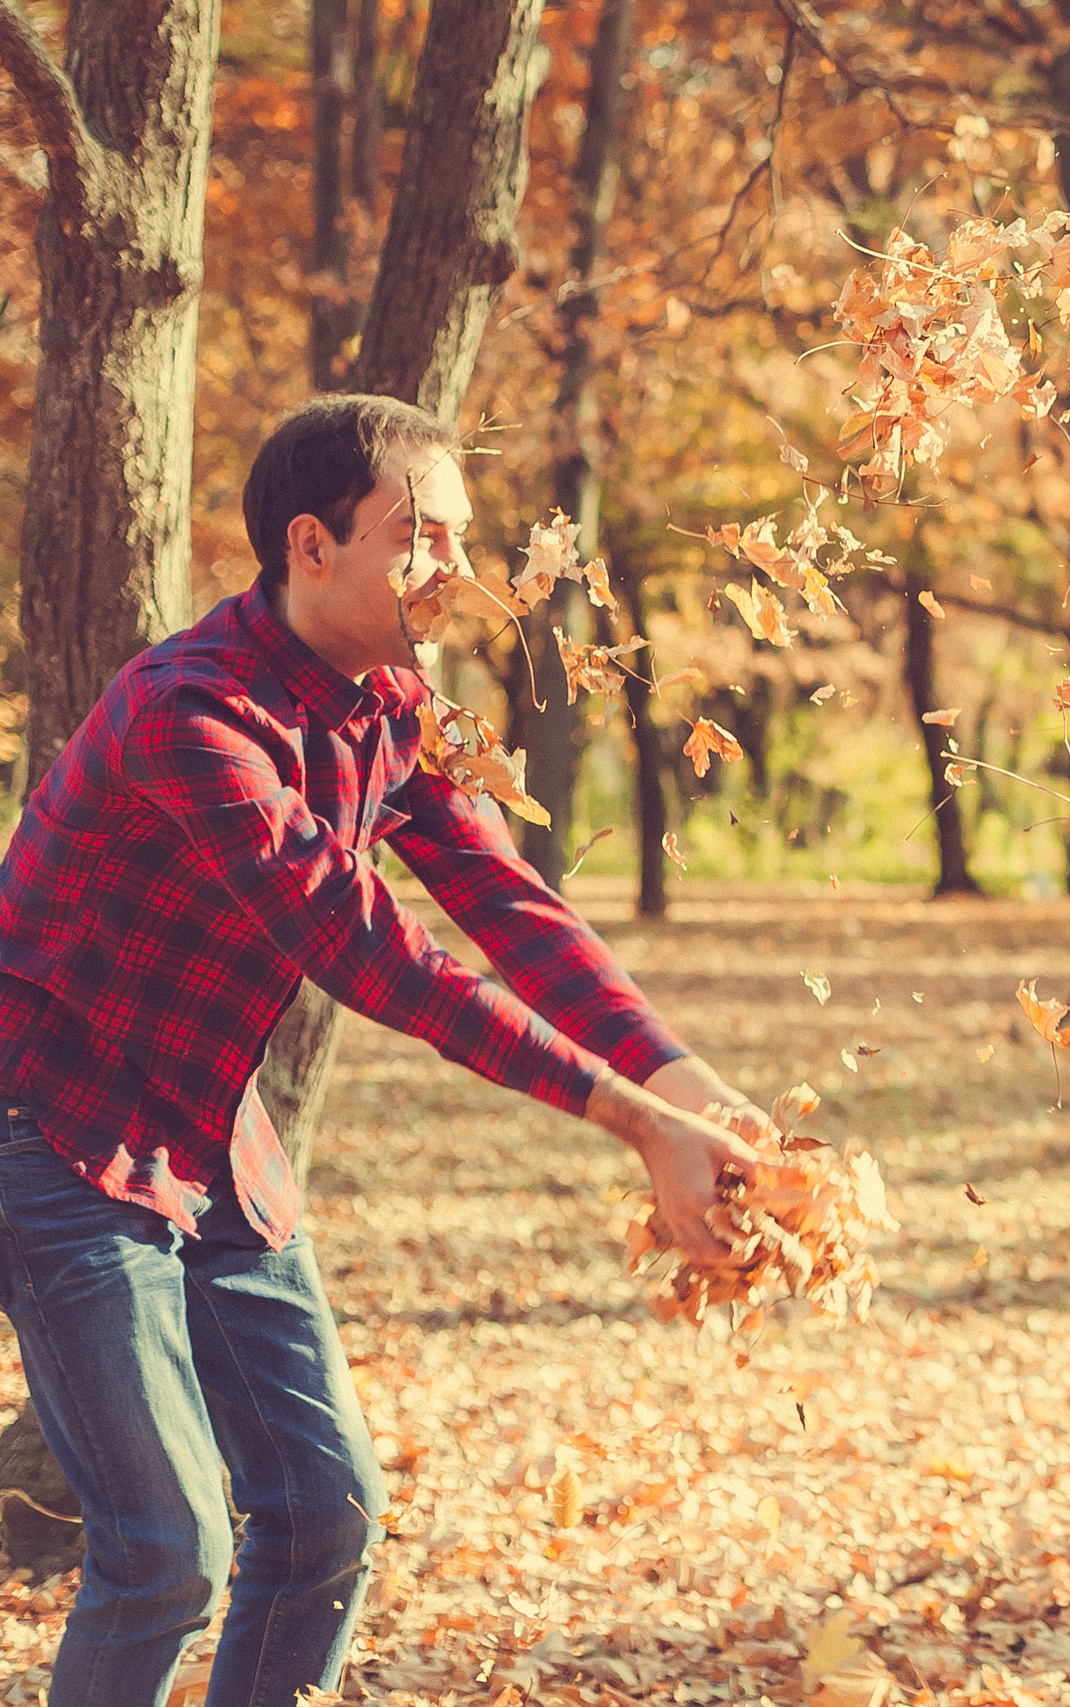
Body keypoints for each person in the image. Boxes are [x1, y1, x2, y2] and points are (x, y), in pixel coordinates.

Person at [0, 395, 768, 1706]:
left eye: (460, 540)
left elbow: (506, 902)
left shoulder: (388, 705)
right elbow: (374, 954)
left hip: (204, 1127)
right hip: (55, 1125)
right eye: (422, 540)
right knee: (164, 1549)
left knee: (325, 1517)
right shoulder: (195, 716)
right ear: (312, 543)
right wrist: (637, 1125)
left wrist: (689, 1086)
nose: (458, 576)